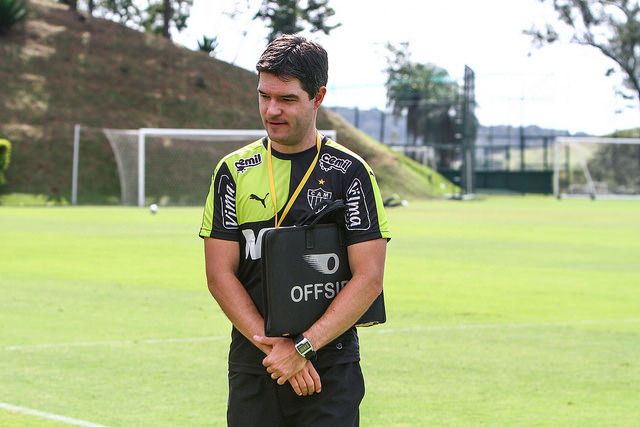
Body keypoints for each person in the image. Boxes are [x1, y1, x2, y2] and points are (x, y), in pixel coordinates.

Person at [199, 34, 391, 427]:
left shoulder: (351, 173)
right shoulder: (232, 172)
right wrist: (278, 350)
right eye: (264, 96)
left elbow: (369, 278)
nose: (271, 110)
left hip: (329, 366)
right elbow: (219, 274)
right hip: (258, 362)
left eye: (286, 99)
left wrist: (302, 347)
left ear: (318, 97)